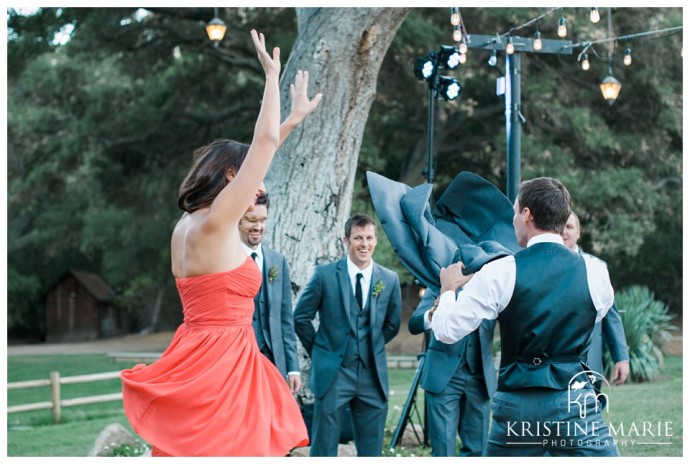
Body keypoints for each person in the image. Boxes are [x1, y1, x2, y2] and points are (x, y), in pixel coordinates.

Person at [120, 29, 322, 457]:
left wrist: (292, 121)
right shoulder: (217, 223)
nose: (259, 183)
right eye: (250, 175)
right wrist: (272, 77)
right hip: (223, 363)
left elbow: (264, 148)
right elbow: (263, 145)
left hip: (195, 349)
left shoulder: (186, 226)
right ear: (232, 178)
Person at [429, 177, 619, 457]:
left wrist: (448, 289)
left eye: (515, 211)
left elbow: (446, 330)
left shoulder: (500, 271)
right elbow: (597, 312)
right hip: (575, 403)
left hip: (517, 410)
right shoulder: (596, 271)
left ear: (527, 214)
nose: (513, 219)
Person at [293, 213, 402, 457]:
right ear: (346, 240)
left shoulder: (389, 279)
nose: (365, 244)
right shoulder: (325, 275)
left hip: (372, 375)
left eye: (369, 238)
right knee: (324, 446)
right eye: (358, 238)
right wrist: (321, 351)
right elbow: (300, 318)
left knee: (371, 448)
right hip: (334, 374)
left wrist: (371, 347)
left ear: (375, 240)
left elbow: (392, 324)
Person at [408, 287, 496, 456]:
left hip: (480, 376)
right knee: (443, 450)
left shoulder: (492, 285)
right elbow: (414, 324)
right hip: (443, 376)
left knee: (478, 450)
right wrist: (431, 314)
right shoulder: (438, 286)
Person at [239, 192, 301, 393]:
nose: (258, 226)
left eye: (263, 219)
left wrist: (293, 368)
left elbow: (285, 318)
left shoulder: (277, 261)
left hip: (275, 360)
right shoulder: (228, 260)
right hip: (241, 357)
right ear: (238, 221)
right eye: (251, 220)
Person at [561, 211, 630, 388]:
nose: (564, 232)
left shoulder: (596, 268)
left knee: (590, 414)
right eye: (560, 226)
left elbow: (610, 314)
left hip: (590, 365)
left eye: (569, 227)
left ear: (578, 232)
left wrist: (621, 357)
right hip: (554, 367)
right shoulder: (542, 265)